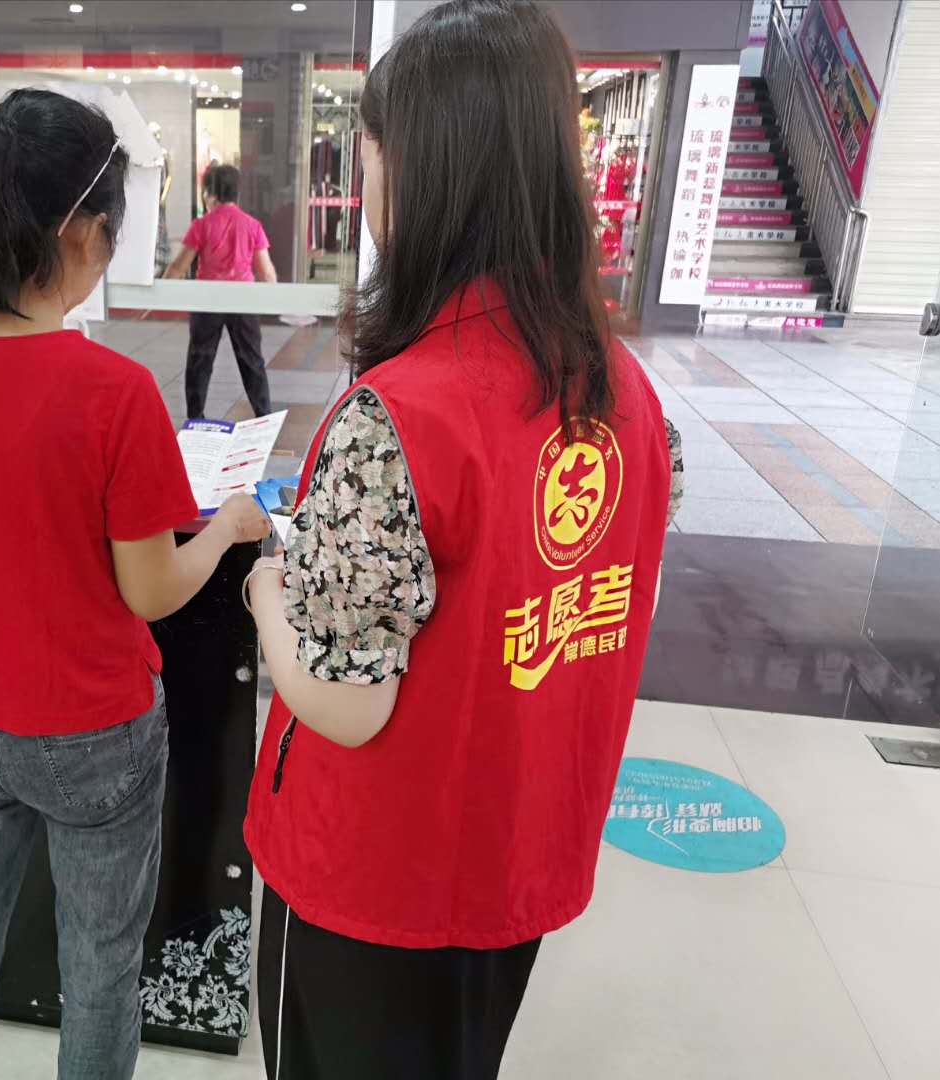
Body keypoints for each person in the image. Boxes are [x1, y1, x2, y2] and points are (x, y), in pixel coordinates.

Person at [242, 3, 679, 1077]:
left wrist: (267, 596)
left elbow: (346, 701)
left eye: (369, 147)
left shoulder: (400, 413)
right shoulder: (627, 392)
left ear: (417, 167)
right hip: (512, 857)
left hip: (371, 881)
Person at [0, 89, 268, 1080]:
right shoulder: (112, 392)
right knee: (102, 973)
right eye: (111, 230)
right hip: (92, 736)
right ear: (78, 231)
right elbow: (151, 589)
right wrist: (227, 529)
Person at [164, 164, 278, 420]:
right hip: (243, 301)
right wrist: (275, 299)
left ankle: (196, 417)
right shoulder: (252, 225)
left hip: (208, 300)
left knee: (200, 360)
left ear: (210, 192)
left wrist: (160, 293)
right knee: (252, 361)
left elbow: (179, 266)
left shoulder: (202, 225)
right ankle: (263, 417)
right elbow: (266, 272)